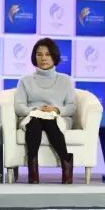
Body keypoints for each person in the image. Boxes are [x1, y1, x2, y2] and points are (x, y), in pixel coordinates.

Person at [14, 38, 76, 184]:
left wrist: (56, 109)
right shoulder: (25, 80)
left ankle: (56, 165)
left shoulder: (65, 80)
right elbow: (19, 106)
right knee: (36, 120)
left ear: (54, 56)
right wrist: (35, 110)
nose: (43, 58)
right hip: (32, 116)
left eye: (47, 54)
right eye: (39, 54)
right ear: (34, 57)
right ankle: (38, 169)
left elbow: (72, 107)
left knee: (49, 120)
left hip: (57, 117)